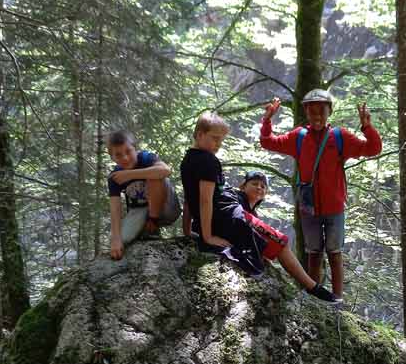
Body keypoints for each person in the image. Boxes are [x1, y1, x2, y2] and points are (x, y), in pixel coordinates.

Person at [179, 113, 336, 302]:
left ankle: (311, 286)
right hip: (230, 218)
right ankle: (313, 287)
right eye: (215, 138)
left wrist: (187, 229)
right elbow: (204, 200)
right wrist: (207, 237)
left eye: (221, 140)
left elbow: (189, 198)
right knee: (280, 242)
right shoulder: (208, 161)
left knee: (271, 243)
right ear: (199, 134)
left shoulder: (187, 160)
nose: (218, 144)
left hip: (221, 219)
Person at [260, 89, 381, 301]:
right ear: (306, 112)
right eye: (312, 111)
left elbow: (373, 148)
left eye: (321, 111)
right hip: (308, 207)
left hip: (335, 207)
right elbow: (268, 142)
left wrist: (367, 127)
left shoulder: (340, 137)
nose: (317, 116)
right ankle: (315, 298)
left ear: (329, 112)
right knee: (313, 253)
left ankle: (337, 299)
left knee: (335, 253)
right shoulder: (299, 137)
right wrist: (267, 120)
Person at [106, 130, 181, 261]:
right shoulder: (114, 177)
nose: (125, 158)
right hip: (140, 211)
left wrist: (129, 174)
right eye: (118, 155)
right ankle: (148, 231)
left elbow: (165, 170)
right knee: (121, 240)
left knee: (154, 174)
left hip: (166, 207)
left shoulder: (146, 158)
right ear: (112, 158)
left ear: (135, 149)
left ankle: (153, 222)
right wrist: (116, 239)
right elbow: (115, 208)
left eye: (128, 151)